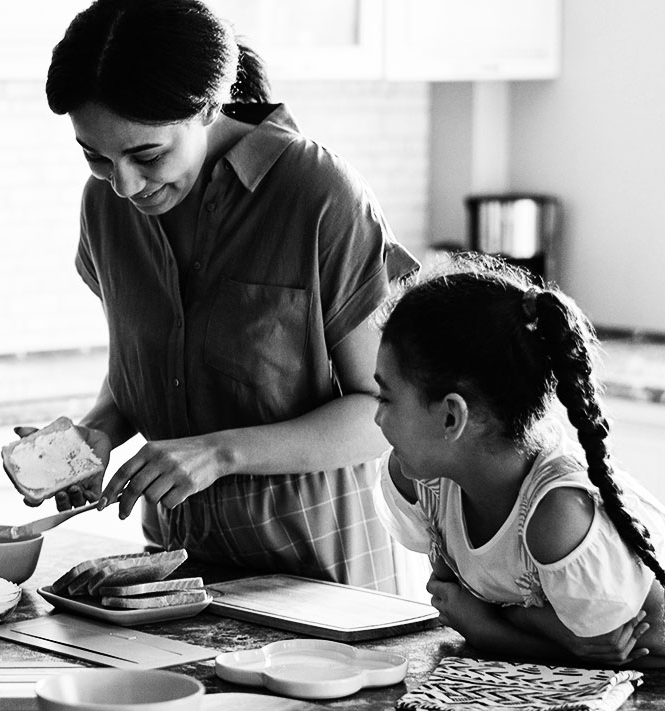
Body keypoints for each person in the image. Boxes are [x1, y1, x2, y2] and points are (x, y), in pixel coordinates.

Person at [25, 0, 419, 592]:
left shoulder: (319, 196)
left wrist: (219, 454)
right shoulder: (104, 205)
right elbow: (147, 366)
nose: (125, 184)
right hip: (176, 577)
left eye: (147, 154)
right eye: (97, 156)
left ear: (210, 106)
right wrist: (98, 432)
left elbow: (383, 414)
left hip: (324, 580)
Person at [375, 254, 665, 670]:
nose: (377, 417)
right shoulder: (425, 480)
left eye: (385, 397)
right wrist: (542, 628)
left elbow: (626, 652)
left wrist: (495, 628)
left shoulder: (558, 517)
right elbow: (452, 600)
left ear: (451, 416)